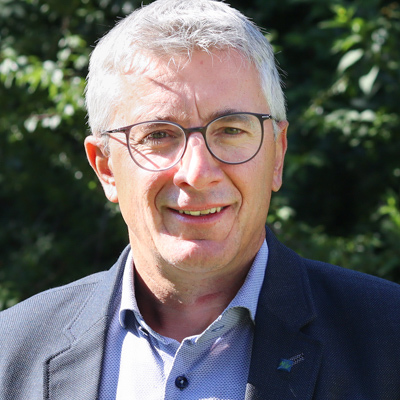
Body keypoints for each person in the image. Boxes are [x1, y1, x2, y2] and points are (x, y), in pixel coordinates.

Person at [1, 0, 400, 398]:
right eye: (158, 134)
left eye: (230, 130)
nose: (196, 173)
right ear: (105, 167)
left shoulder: (388, 340)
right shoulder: (11, 353)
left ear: (277, 155)